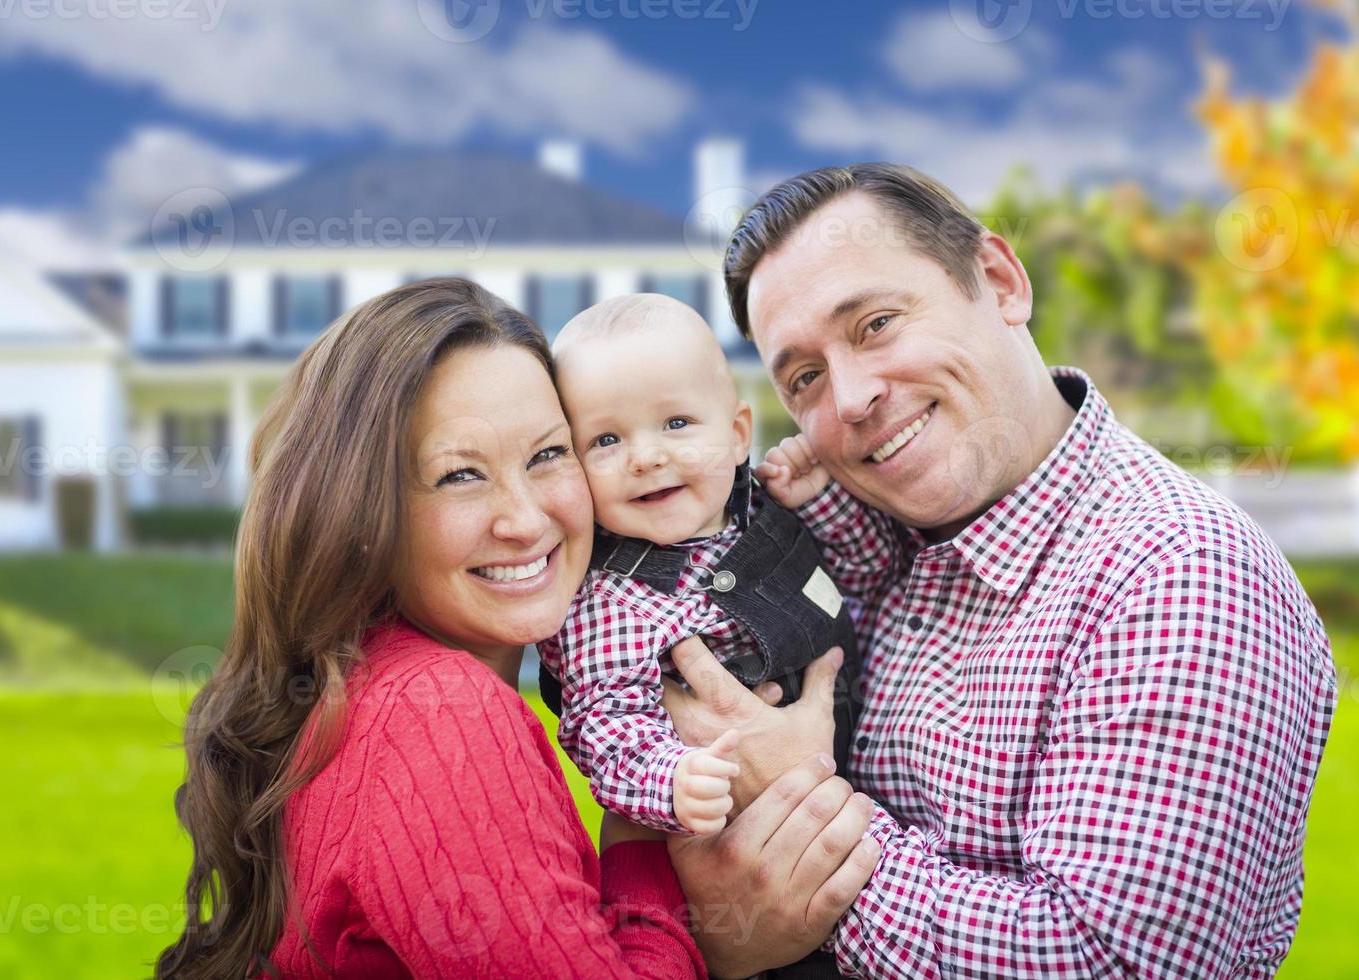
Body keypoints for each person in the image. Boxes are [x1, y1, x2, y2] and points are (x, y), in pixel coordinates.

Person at [680, 162, 1339, 977]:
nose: (849, 398)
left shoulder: (1180, 575)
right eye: (805, 377)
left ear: (999, 281)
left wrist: (800, 834)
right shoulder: (868, 547)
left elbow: (1109, 963)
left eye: (876, 324)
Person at [156, 277, 880, 979]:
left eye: (546, 455)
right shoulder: (443, 715)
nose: (526, 520)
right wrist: (673, 892)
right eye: (459, 476)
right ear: (360, 509)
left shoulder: (370, 685)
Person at [534, 293, 860, 840]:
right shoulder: (612, 598)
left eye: (676, 422)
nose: (646, 457)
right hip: (747, 828)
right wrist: (672, 779)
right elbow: (605, 725)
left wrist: (820, 501)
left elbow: (866, 575)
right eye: (606, 440)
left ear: (736, 435)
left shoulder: (763, 506)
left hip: (865, 768)